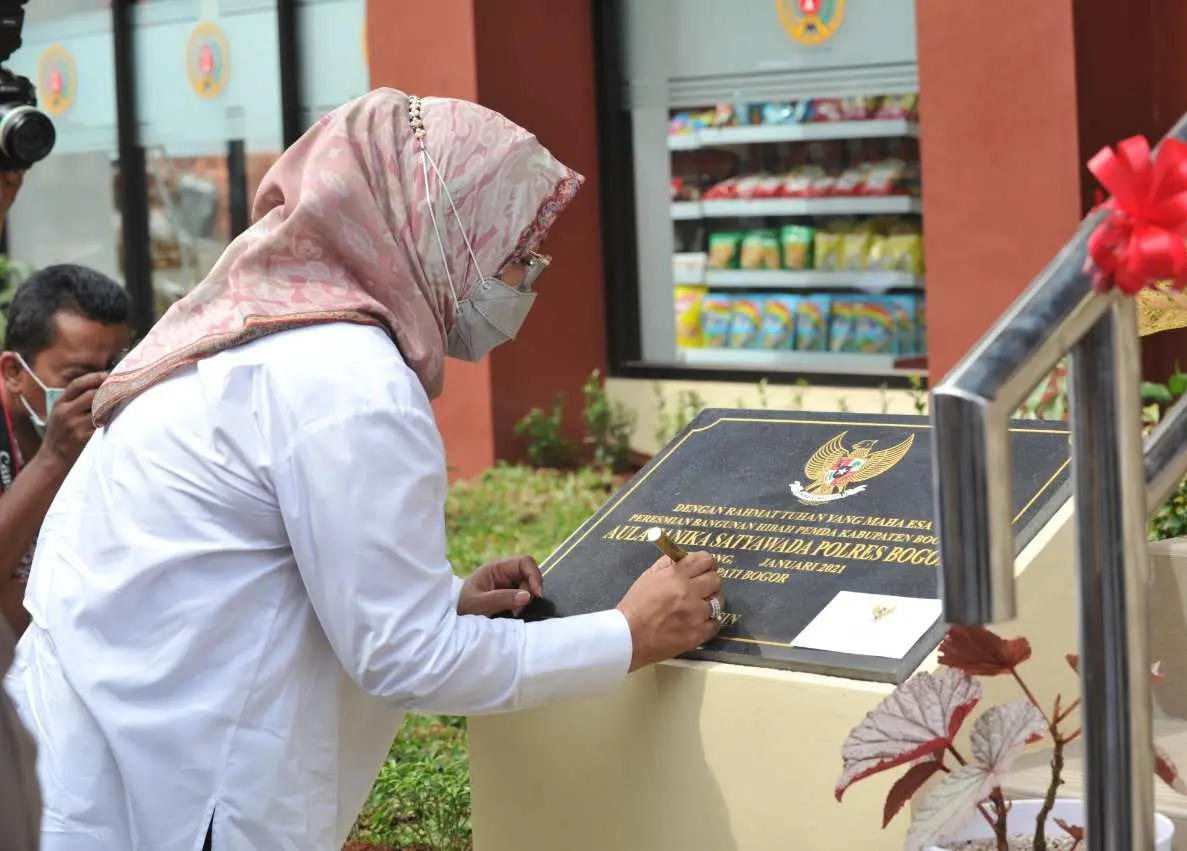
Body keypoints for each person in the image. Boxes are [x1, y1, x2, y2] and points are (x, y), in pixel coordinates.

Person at [8, 89, 724, 851]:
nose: (524, 280)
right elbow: (406, 661)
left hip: (93, 770)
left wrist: (442, 599)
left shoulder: (252, 336)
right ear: (435, 227)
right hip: (173, 802)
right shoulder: (351, 380)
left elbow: (240, 569)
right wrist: (629, 634)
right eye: (512, 247)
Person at [0, 264, 132, 636]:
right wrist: (52, 461)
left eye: (112, 368)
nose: (99, 390)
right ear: (14, 372)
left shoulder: (113, 429)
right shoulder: (59, 447)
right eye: (77, 377)